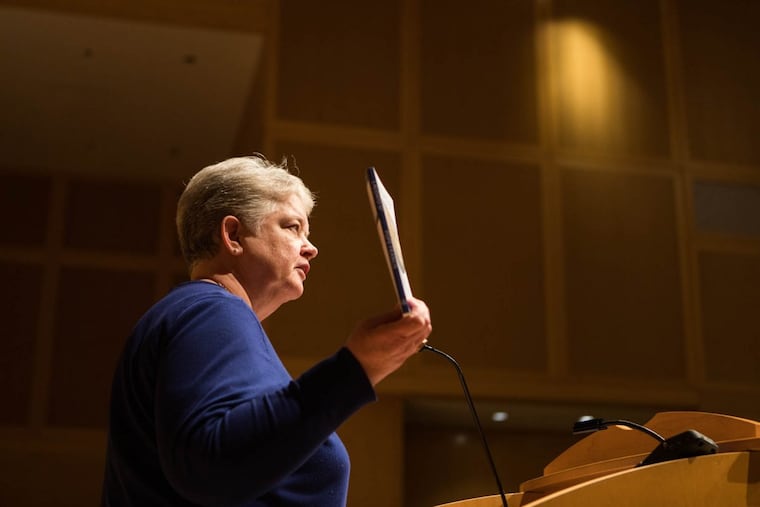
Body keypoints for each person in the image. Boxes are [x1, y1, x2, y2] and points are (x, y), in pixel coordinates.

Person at [101, 155, 432, 506]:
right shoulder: (211, 310)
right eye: (292, 227)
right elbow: (211, 466)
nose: (312, 247)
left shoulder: (200, 314)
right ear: (233, 235)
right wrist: (356, 369)